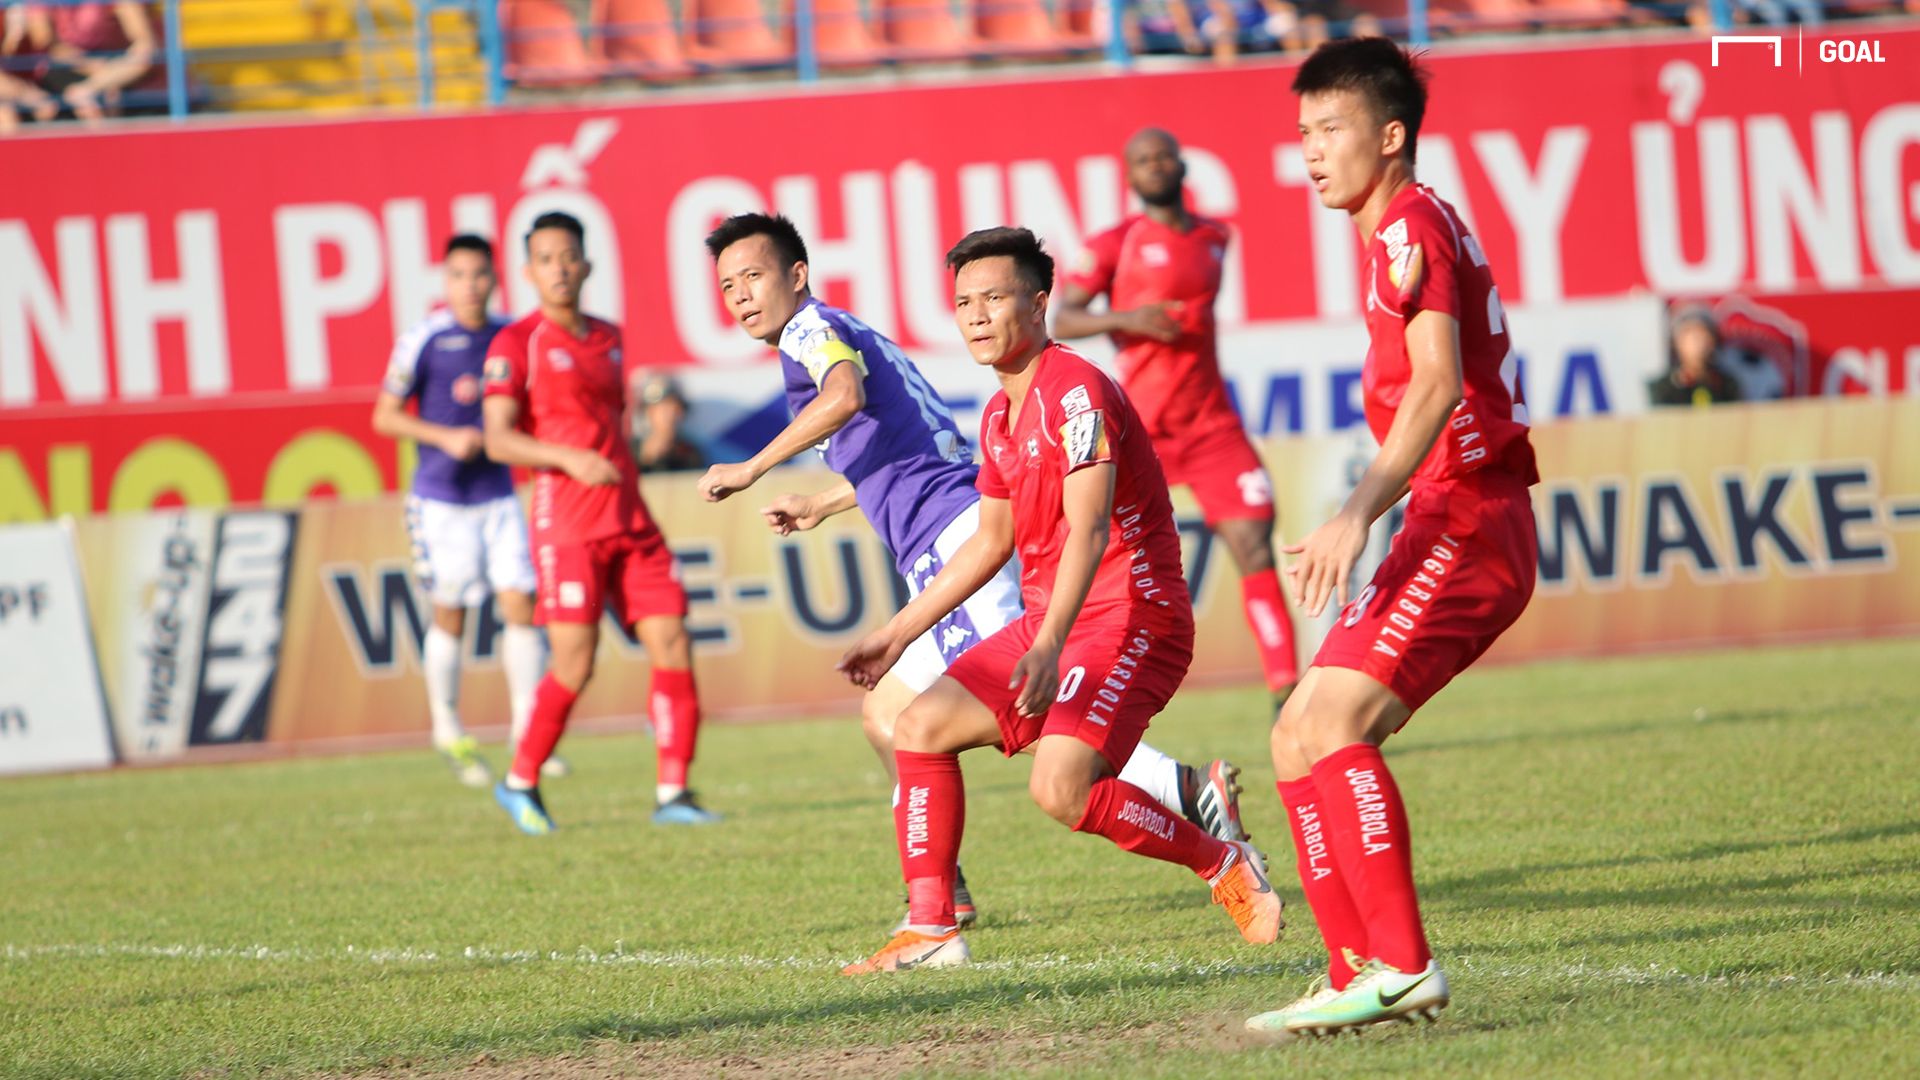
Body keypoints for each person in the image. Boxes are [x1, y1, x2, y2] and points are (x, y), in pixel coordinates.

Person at [701, 213, 1252, 932]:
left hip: (957, 539)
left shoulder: (811, 332)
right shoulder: (868, 344)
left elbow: (845, 400)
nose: (742, 295)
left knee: (1033, 708)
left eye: (754, 276)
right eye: (727, 285)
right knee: (894, 718)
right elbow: (924, 448)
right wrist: (827, 501)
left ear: (796, 276)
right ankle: (939, 895)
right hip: (955, 528)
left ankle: (1186, 794)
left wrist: (750, 467)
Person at [835, 227, 1284, 974]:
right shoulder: (997, 416)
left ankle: (1221, 864)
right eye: (963, 303)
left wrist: (1046, 647)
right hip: (1056, 622)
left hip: (1132, 615)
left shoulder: (1075, 390)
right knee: (916, 726)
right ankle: (932, 929)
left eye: (994, 298)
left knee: (1061, 788)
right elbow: (988, 544)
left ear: (1039, 304)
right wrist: (896, 633)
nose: (976, 316)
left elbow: (1091, 526)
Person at [1243, 38, 1539, 1036]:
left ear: (1393, 135)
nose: (1313, 153)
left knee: (1331, 726)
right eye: (1303, 135)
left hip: (1467, 514)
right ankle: (1352, 968)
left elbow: (1440, 383)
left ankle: (1404, 964)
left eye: (1331, 130)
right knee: (1293, 734)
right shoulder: (1400, 230)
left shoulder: (1409, 224)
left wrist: (1355, 511)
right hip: (1441, 515)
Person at [481, 211, 718, 833]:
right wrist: (566, 458)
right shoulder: (516, 344)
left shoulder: (608, 336)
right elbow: (498, 439)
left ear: (586, 264)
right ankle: (519, 780)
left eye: (569, 256)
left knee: (673, 641)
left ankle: (674, 794)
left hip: (630, 518)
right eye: (546, 258)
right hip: (567, 525)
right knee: (575, 665)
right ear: (529, 271)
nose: (559, 268)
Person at [1056, 127, 1301, 707]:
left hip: (1211, 423)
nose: (1156, 165)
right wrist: (1130, 319)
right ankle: (1084, 685)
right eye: (1143, 159)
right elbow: (1063, 321)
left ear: (1183, 167)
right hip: (1143, 428)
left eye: (1164, 156)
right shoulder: (1116, 243)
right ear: (1130, 176)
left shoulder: (1217, 237)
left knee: (1255, 542)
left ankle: (1286, 692)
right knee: (1109, 558)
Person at [371, 234, 552, 789]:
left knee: (521, 602)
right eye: (459, 275)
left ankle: (528, 729)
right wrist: (444, 438)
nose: (470, 286)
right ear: (445, 282)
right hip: (441, 501)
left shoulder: (508, 336)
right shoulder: (424, 339)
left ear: (495, 280)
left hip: (498, 495)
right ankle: (446, 724)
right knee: (451, 610)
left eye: (479, 275)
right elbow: (386, 417)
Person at [1648, 305, 1742, 407]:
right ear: (1676, 343)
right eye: (1690, 335)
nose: (1697, 342)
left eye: (1702, 335)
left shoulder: (1726, 385)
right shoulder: (1664, 387)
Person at [629, 373, 706, 473]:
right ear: (647, 412)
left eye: (670, 405)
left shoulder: (689, 454)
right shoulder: (629, 451)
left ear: (680, 411)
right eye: (657, 408)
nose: (666, 413)